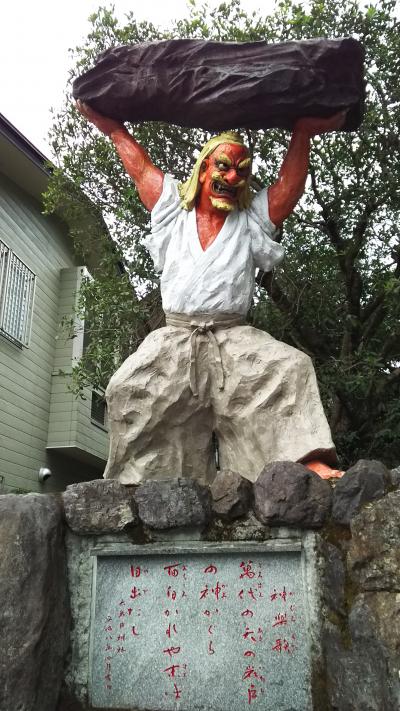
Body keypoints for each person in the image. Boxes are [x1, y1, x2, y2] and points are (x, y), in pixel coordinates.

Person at [77, 100, 344, 484]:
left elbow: (287, 189)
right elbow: (140, 169)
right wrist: (113, 128)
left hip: (234, 339)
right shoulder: (172, 211)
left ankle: (300, 464)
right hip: (176, 338)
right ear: (203, 170)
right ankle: (141, 484)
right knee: (127, 387)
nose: (233, 176)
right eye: (223, 165)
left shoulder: (251, 221)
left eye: (241, 169)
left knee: (291, 369)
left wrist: (301, 134)